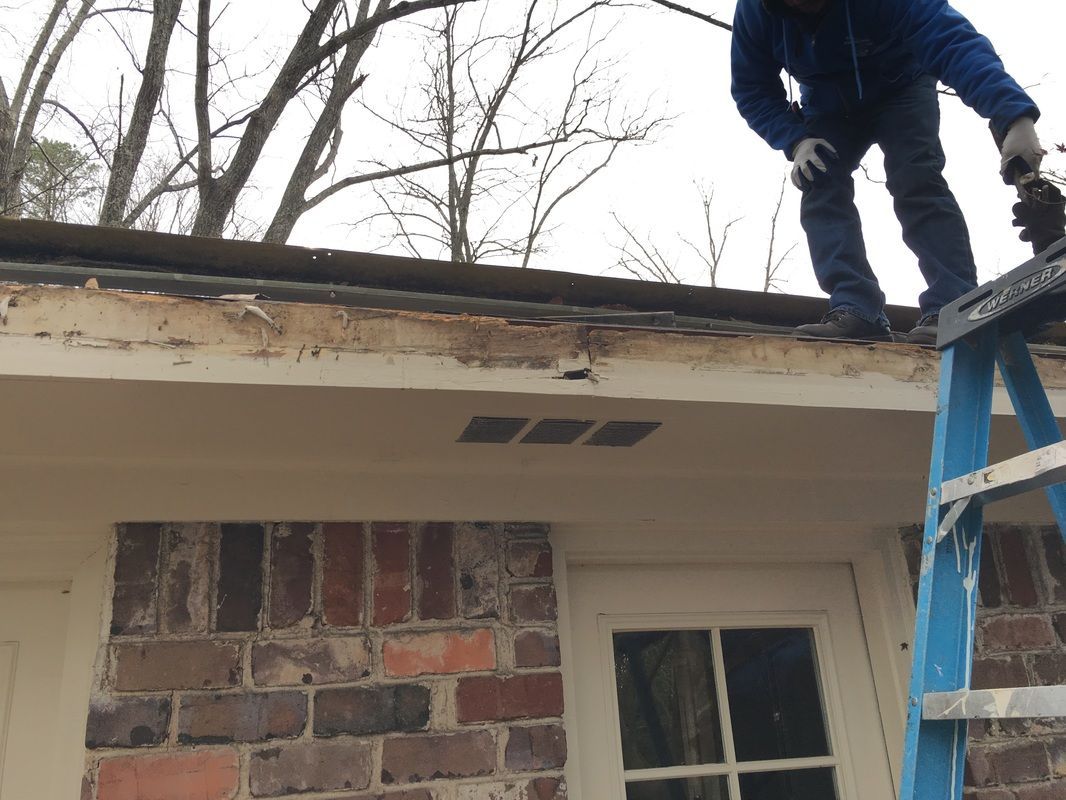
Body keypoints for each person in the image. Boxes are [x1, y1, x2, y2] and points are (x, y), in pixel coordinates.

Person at [730, 0, 1045, 344]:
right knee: (820, 179)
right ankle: (856, 309)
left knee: (916, 179)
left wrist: (1013, 115)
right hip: (827, 102)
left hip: (902, 86)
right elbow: (752, 87)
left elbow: (952, 41)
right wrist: (794, 139)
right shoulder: (756, 11)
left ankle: (953, 305)